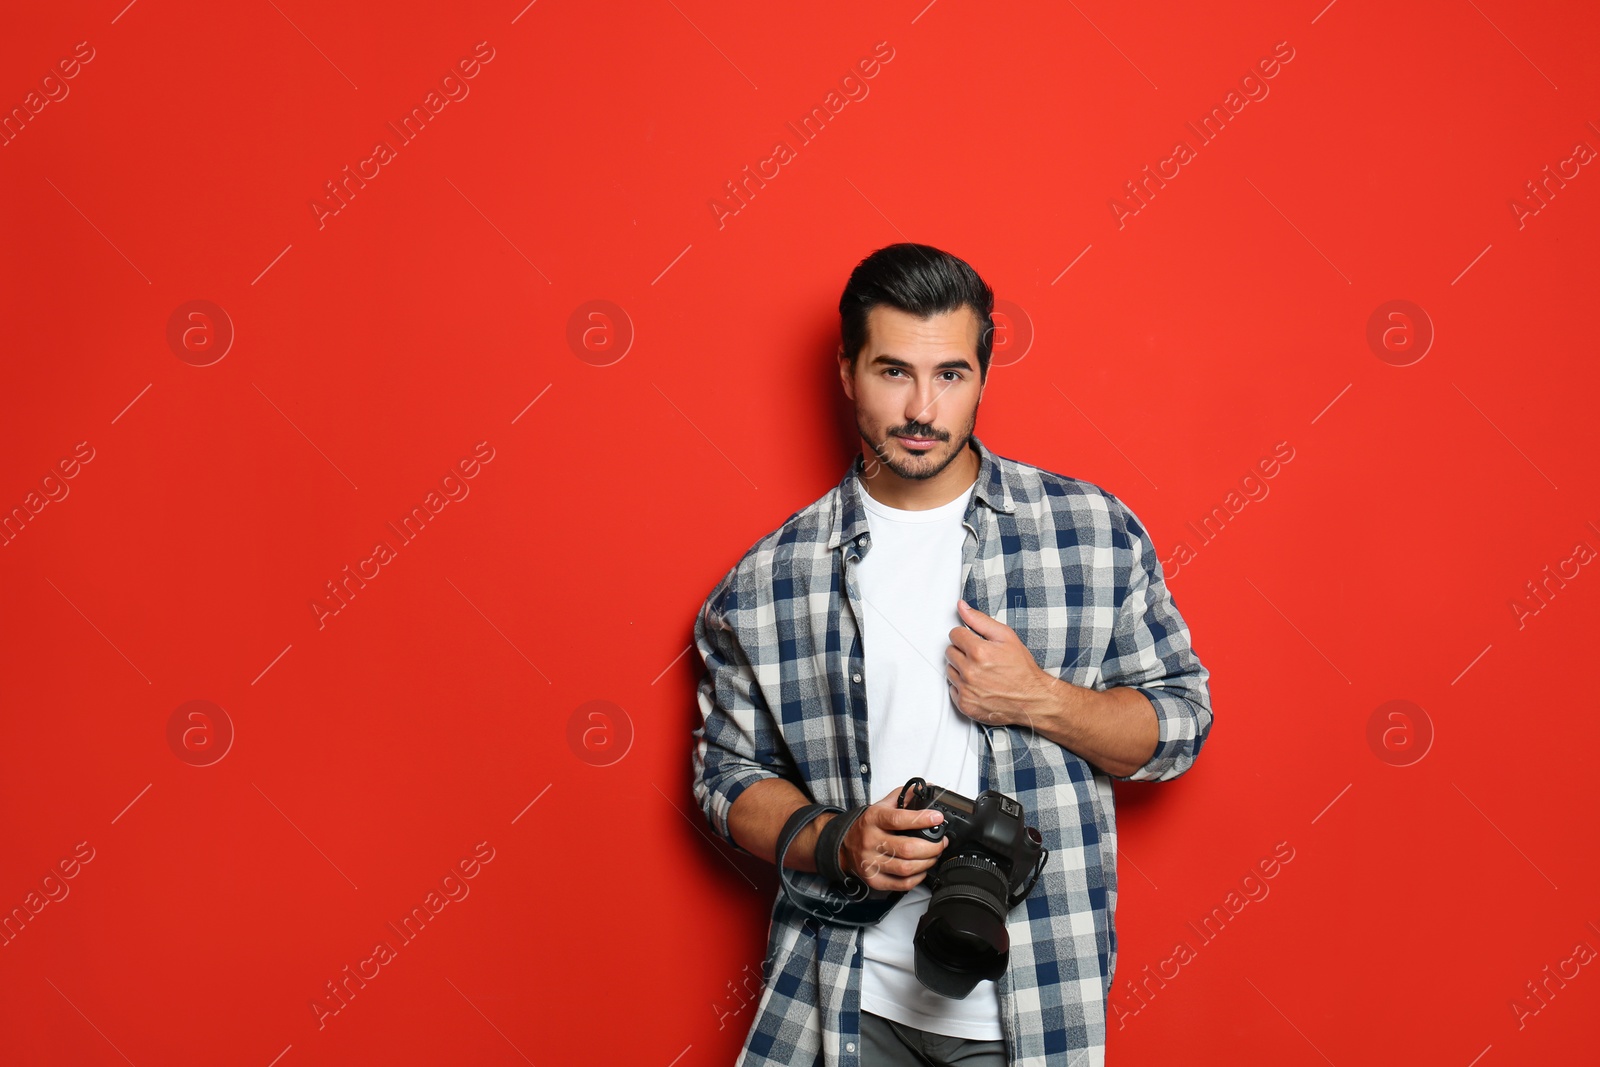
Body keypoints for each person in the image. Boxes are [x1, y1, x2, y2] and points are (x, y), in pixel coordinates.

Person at [691, 243, 1213, 1067]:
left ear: (984, 373)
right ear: (846, 370)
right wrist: (838, 840)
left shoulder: (1091, 531)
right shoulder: (767, 584)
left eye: (952, 374)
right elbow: (725, 778)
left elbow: (1181, 724)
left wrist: (1040, 696)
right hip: (844, 997)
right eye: (893, 372)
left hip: (1034, 1001)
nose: (922, 408)